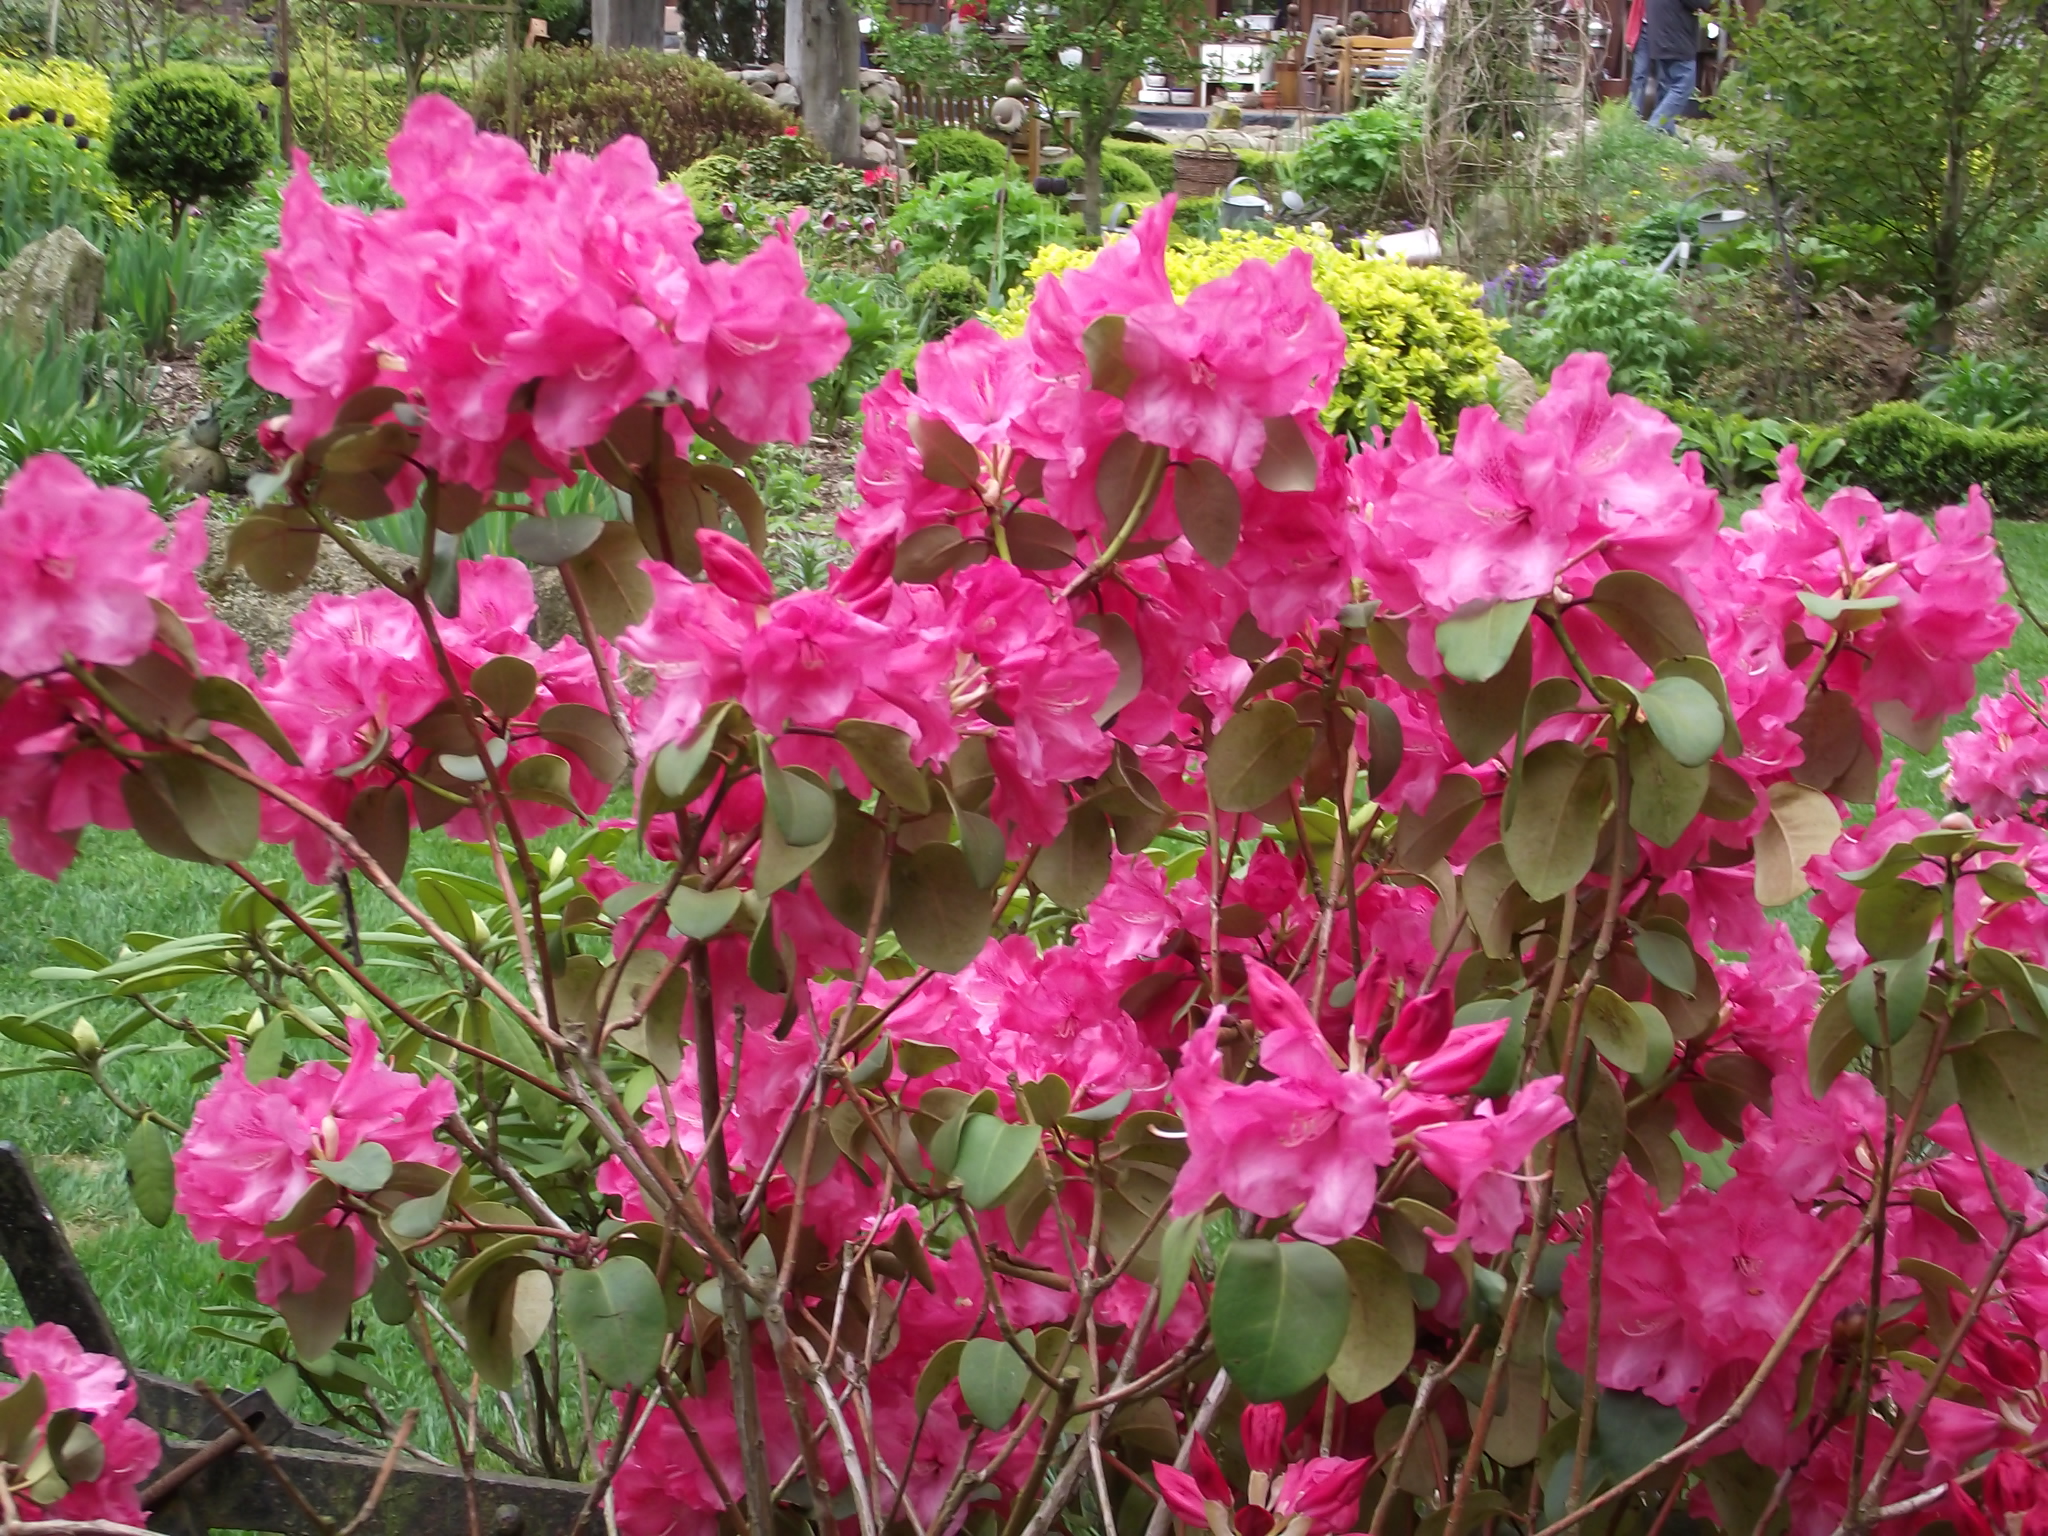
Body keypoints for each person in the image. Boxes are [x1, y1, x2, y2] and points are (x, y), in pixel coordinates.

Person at [1639, 0, 1710, 133]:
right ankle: (1652, 129)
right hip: (1677, 41)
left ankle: (1667, 133)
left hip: (1658, 39)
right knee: (1683, 86)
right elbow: (1704, 3)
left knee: (1667, 87)